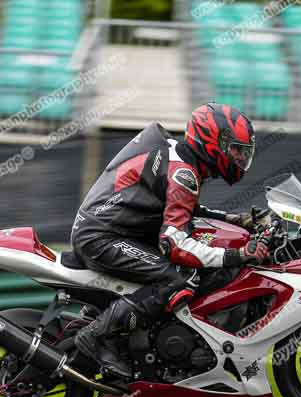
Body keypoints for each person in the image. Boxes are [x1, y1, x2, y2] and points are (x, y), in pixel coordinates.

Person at [69, 103, 268, 378]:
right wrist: (238, 255)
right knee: (180, 277)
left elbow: (186, 210)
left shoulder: (182, 160)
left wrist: (236, 220)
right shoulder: (182, 172)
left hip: (116, 232)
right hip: (102, 237)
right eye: (235, 149)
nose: (240, 157)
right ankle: (97, 336)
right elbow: (174, 244)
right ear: (213, 141)